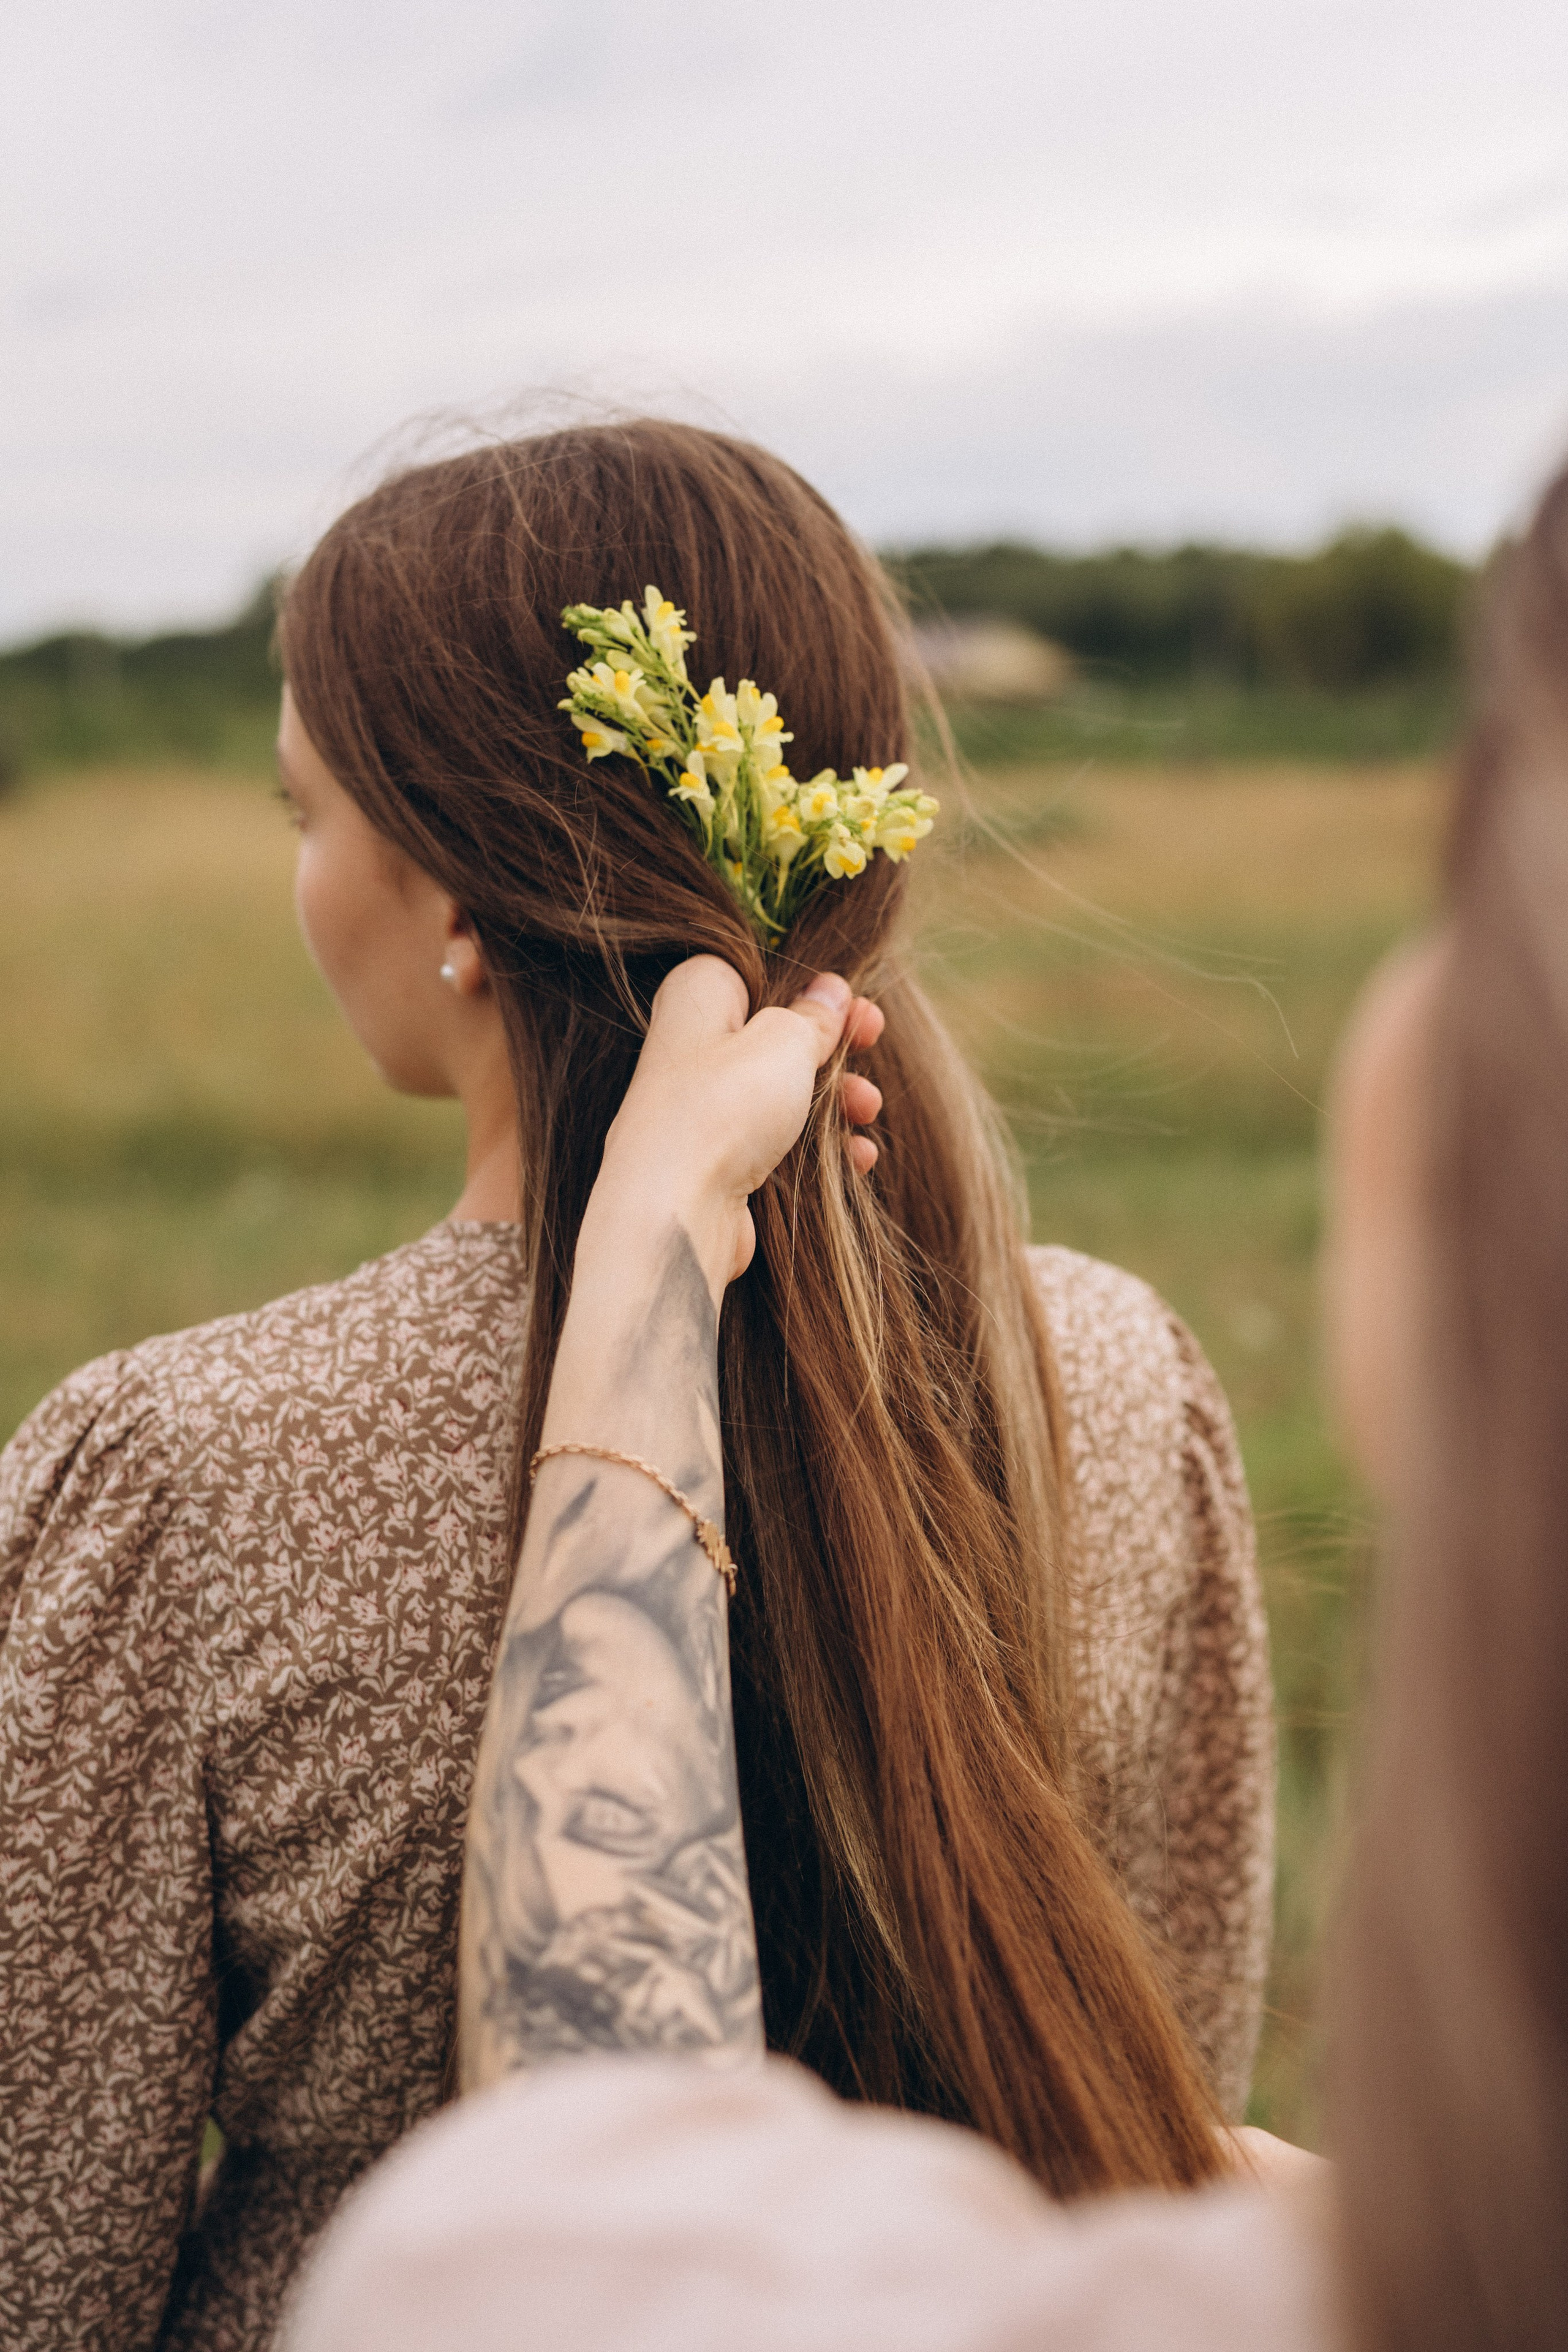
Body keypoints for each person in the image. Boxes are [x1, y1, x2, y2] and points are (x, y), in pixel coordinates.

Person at [0, 421, 1272, 2351]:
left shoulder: (184, 1480)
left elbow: (40, 2266)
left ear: (447, 896)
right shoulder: (1107, 1374)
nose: (298, 868)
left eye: (302, 811)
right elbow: (1153, 2149)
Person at [286, 457, 1568, 2352]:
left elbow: (581, 2190)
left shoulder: (161, 1470)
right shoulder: (1122, 1371)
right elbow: (1164, 2024)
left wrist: (646, 1270)